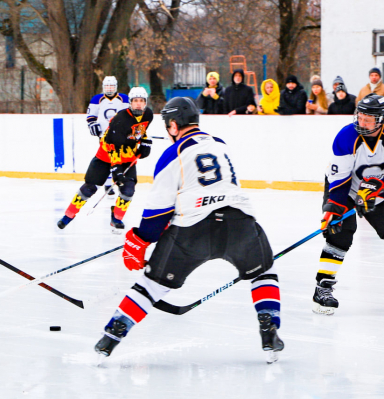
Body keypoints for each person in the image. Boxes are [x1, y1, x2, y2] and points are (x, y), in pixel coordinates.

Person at [94, 97, 284, 363]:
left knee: (151, 285)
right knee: (263, 272)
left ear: (173, 126)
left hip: (193, 230)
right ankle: (269, 330)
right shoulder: (220, 144)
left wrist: (140, 240)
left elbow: (158, 211)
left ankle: (111, 337)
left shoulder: (173, 153)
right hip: (239, 222)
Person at [313, 95, 384, 315]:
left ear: (381, 119)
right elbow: (340, 178)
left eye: (368, 119)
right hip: (344, 189)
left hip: (377, 190)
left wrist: (376, 191)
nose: (362, 122)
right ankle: (322, 290)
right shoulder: (346, 136)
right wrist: (334, 207)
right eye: (360, 116)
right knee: (339, 236)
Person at [57, 87, 153, 231]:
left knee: (128, 190)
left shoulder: (148, 115)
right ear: (130, 103)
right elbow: (113, 147)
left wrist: (144, 142)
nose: (138, 104)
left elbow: (139, 131)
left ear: (145, 102)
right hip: (106, 156)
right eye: (135, 101)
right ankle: (68, 215)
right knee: (89, 188)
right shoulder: (120, 120)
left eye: (141, 101)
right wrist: (116, 170)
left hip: (127, 156)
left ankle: (116, 218)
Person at [87, 76, 130, 195]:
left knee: (119, 158)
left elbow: (129, 115)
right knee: (106, 159)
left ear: (116, 86)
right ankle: (108, 184)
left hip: (120, 135)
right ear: (103, 87)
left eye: (111, 86)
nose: (109, 89)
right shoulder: (97, 99)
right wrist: (92, 125)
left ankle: (120, 181)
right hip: (104, 136)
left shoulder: (124, 98)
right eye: (107, 86)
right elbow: (91, 116)